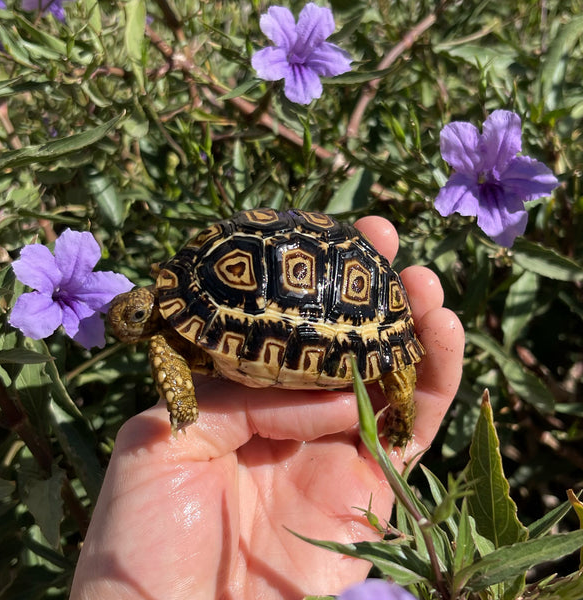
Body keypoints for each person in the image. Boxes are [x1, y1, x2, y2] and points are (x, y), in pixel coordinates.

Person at [70, 216, 464, 600]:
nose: (127, 328)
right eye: (130, 317)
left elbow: (172, 345)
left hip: (342, 316)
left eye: (137, 317)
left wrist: (183, 405)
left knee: (398, 383)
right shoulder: (197, 278)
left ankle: (401, 418)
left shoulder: (176, 329)